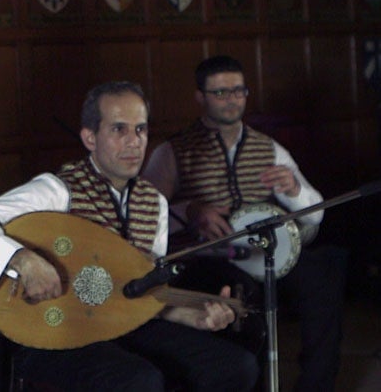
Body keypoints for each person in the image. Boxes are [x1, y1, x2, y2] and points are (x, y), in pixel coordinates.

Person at [0, 81, 259, 391]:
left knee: (236, 366)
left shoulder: (154, 203)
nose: (133, 142)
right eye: (119, 129)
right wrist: (23, 259)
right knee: (138, 380)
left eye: (140, 130)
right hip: (56, 330)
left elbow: (139, 294)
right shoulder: (58, 190)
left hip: (123, 325)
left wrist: (193, 317)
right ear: (90, 137)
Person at [143, 55, 348, 391]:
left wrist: (294, 190)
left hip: (268, 253)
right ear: (200, 97)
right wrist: (191, 210)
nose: (232, 99)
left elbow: (315, 214)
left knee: (322, 276)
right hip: (212, 258)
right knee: (240, 295)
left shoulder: (269, 148)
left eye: (238, 91)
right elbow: (146, 214)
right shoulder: (172, 152)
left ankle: (316, 385)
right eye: (220, 92)